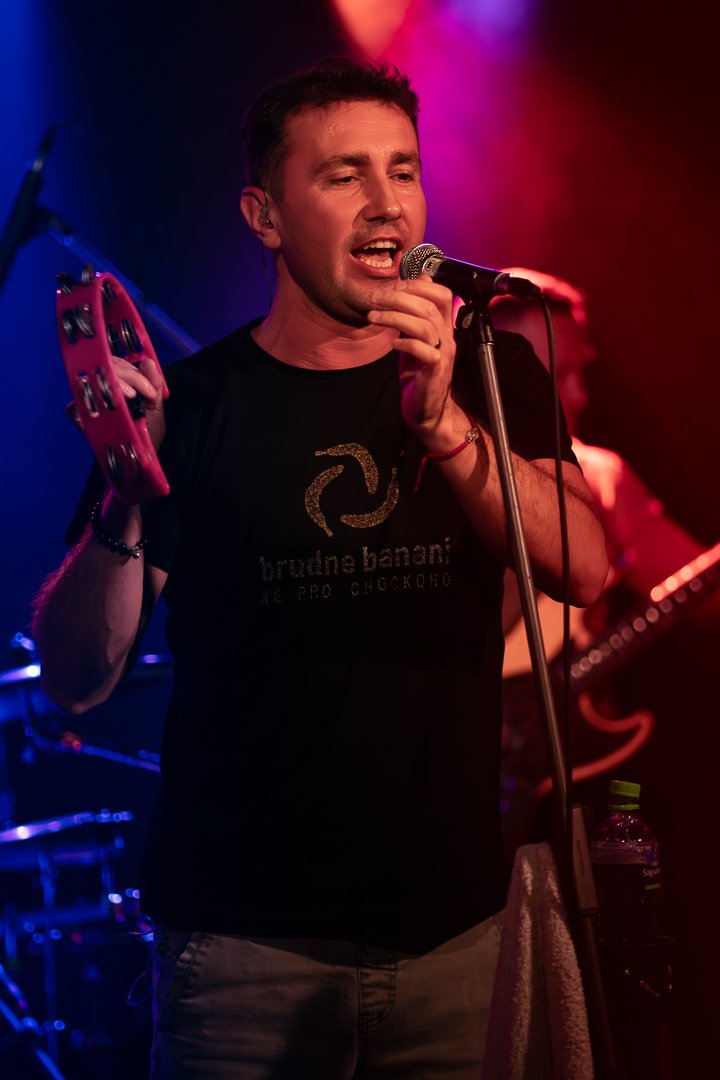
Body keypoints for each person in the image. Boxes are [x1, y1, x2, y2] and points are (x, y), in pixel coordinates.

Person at [31, 60, 607, 1078]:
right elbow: (77, 675)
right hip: (245, 953)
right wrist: (129, 485)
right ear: (264, 214)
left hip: (455, 941)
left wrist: (447, 430)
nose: (389, 204)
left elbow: (587, 566)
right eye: (344, 175)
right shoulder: (197, 404)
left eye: (404, 170)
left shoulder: (488, 370)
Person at [489, 269, 714, 854]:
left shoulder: (603, 475)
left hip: (571, 785)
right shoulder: (437, 472)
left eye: (580, 372)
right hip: (451, 763)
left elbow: (697, 590)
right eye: (557, 376)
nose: (581, 395)